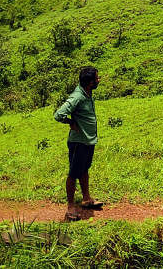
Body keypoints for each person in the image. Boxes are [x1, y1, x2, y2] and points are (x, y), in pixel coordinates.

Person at [54, 66, 101, 219]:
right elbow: (58, 114)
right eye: (96, 78)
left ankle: (86, 199)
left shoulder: (87, 93)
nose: (99, 80)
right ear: (89, 82)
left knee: (84, 169)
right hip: (78, 142)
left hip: (88, 140)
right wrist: (69, 122)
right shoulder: (77, 96)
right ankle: (70, 207)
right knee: (73, 173)